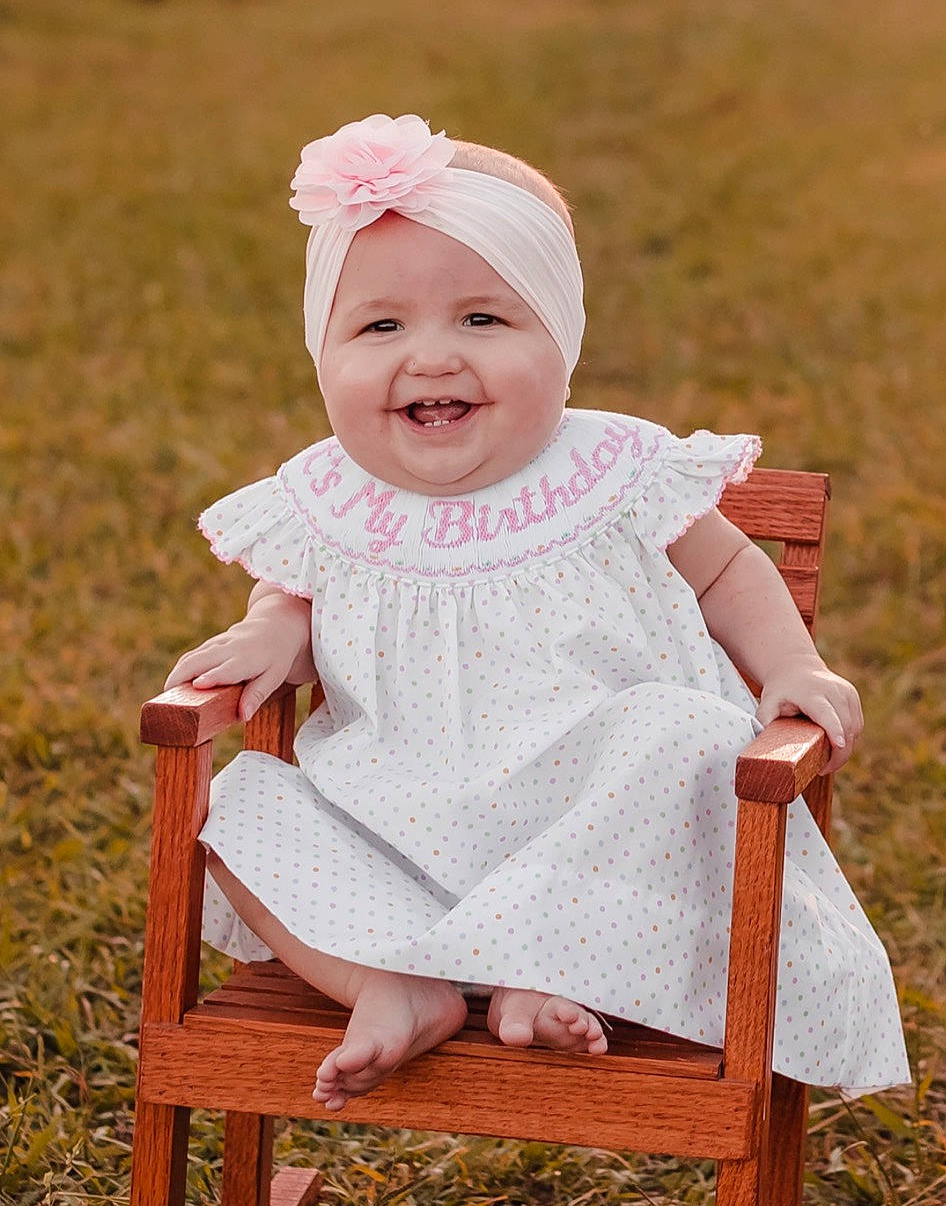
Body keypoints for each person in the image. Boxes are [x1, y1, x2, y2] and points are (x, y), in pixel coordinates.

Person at [165, 112, 912, 1117]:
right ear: (322, 352)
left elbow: (730, 570)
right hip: (396, 829)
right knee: (239, 805)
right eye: (380, 326)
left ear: (559, 341)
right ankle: (389, 981)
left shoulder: (615, 472)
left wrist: (791, 663)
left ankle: (548, 961)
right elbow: (294, 595)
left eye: (482, 318)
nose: (431, 356)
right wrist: (270, 632)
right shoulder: (330, 497)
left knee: (683, 729)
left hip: (588, 834)